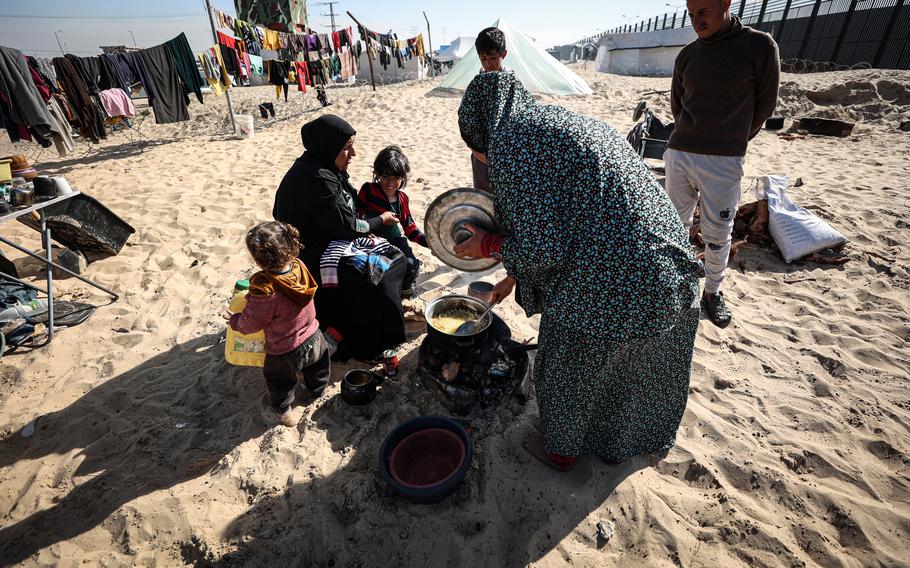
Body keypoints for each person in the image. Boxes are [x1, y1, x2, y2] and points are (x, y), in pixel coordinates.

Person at [454, 72, 703, 471]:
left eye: (476, 149)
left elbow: (544, 248)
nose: (481, 158)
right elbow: (567, 219)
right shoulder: (555, 123)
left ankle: (562, 450)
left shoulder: (511, 144)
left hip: (620, 277)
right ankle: (632, 437)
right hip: (670, 269)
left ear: (480, 132)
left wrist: (487, 245)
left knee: (568, 358)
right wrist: (509, 279)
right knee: (633, 368)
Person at [664, 0, 780, 328]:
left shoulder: (758, 46)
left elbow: (765, 105)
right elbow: (678, 106)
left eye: (703, 11)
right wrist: (694, 136)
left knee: (717, 233)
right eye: (691, 14)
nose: (696, 20)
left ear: (725, 4)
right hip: (680, 153)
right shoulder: (688, 55)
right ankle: (675, 286)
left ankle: (712, 292)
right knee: (674, 226)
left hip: (725, 161)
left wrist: (731, 141)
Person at [273, 115, 407, 361]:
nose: (353, 153)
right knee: (377, 273)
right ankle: (367, 342)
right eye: (347, 147)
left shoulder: (322, 168)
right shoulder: (316, 178)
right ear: (329, 147)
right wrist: (380, 221)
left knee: (395, 259)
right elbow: (346, 227)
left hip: (331, 240)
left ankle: (385, 325)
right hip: (314, 255)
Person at [226, 221, 328, 427]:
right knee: (318, 367)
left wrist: (236, 322)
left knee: (279, 382)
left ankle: (283, 412)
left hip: (284, 349)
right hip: (314, 334)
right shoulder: (299, 267)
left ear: (258, 259)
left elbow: (254, 321)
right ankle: (315, 391)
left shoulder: (265, 288)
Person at [357, 145, 428, 297]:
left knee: (411, 265)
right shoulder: (368, 190)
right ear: (377, 174)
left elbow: (409, 228)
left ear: (403, 178)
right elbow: (357, 215)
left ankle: (406, 291)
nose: (390, 183)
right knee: (371, 272)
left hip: (394, 238)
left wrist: (429, 242)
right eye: (385, 177)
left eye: (396, 178)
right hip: (371, 238)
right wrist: (367, 232)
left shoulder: (402, 199)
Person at [470, 27, 512, 192]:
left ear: (504, 54)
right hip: (481, 156)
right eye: (483, 59)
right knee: (484, 200)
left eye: (493, 58)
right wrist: (480, 154)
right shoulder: (476, 86)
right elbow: (469, 125)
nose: (488, 64)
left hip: (507, 155)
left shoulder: (512, 82)